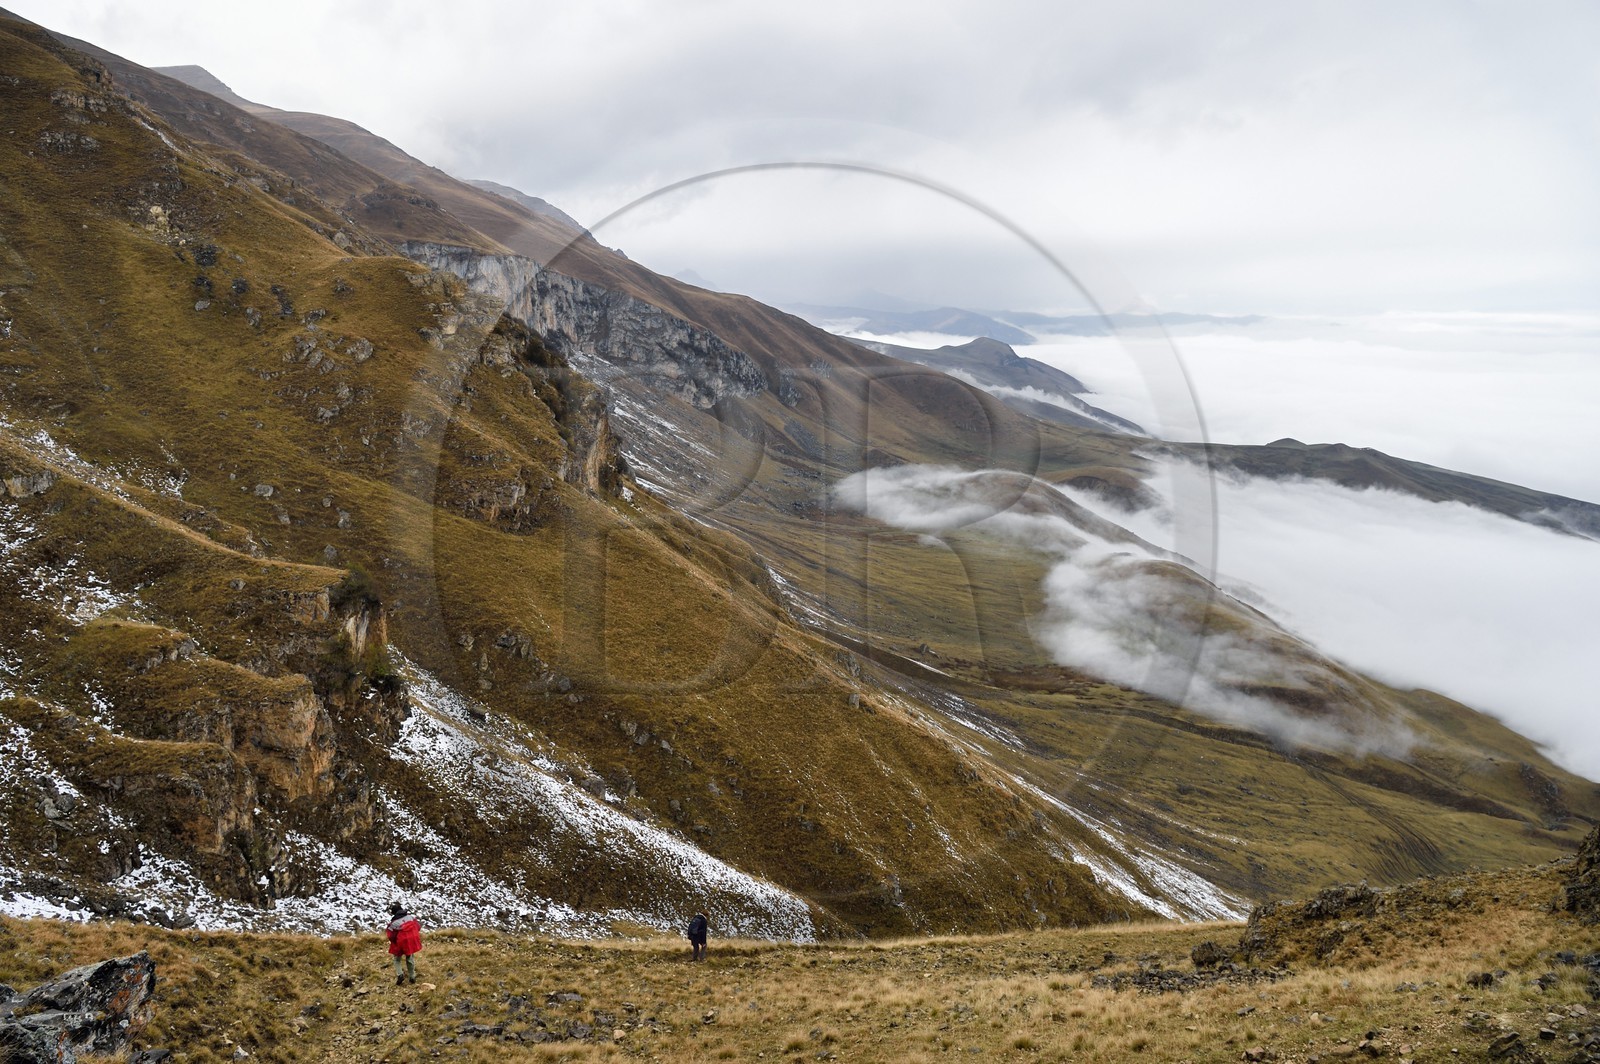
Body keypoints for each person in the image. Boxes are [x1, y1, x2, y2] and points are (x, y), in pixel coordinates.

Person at [386, 900, 422, 985]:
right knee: (410, 958)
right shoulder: (411, 917)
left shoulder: (393, 924)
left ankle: (400, 974)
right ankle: (412, 976)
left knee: (397, 959)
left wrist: (394, 942)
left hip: (401, 942)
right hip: (411, 941)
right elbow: (418, 927)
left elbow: (391, 936)